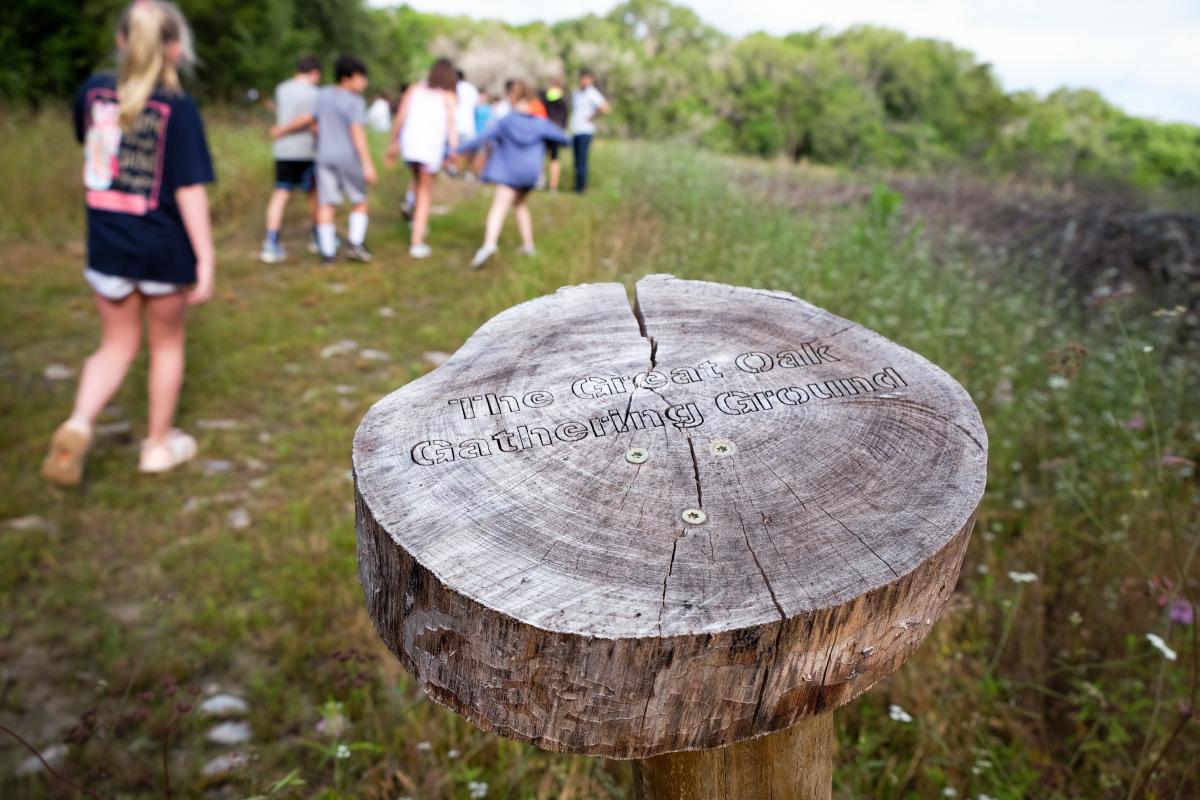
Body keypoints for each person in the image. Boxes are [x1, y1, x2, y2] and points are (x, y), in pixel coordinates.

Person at [43, 0, 215, 485]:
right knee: (166, 346)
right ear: (175, 49)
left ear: (121, 41)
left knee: (115, 345)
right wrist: (204, 258)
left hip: (108, 244)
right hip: (163, 250)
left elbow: (90, 145)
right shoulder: (177, 107)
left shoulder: (93, 92)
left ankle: (78, 424)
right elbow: (188, 189)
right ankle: (157, 446)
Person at [453, 80, 569, 269]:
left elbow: (481, 139)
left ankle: (489, 246)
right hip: (531, 174)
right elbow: (564, 138)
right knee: (519, 204)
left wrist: (456, 150)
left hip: (510, 172)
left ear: (511, 97)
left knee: (498, 208)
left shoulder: (506, 121)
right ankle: (528, 246)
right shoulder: (541, 124)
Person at [386, 58, 458, 259]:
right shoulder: (448, 96)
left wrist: (393, 144)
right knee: (425, 193)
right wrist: (453, 150)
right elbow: (452, 125)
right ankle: (417, 240)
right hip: (430, 148)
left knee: (417, 183)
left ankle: (413, 212)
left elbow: (400, 118)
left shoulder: (414, 89)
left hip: (410, 146)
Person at [313, 55, 377, 264]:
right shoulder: (355, 101)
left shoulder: (322, 95)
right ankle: (355, 245)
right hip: (347, 157)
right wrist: (367, 164)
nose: (364, 83)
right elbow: (357, 133)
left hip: (323, 156)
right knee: (359, 200)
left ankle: (327, 253)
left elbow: (315, 126)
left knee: (326, 203)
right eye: (361, 77)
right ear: (348, 78)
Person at [260, 55, 320, 263]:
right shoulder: (315, 93)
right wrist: (284, 129)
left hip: (283, 151)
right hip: (306, 152)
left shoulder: (281, 89)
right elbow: (308, 118)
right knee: (313, 195)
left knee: (281, 193)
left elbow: (283, 113)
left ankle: (271, 241)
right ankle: (318, 237)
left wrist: (280, 130)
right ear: (315, 73)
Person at [570, 68, 610, 193]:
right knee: (576, 160)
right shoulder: (576, 93)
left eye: (587, 78)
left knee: (582, 160)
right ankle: (577, 185)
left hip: (585, 131)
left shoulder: (592, 93)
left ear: (590, 79)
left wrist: (592, 117)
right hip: (575, 130)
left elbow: (605, 108)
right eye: (583, 78)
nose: (584, 81)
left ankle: (581, 188)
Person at [541, 77, 569, 192]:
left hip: (545, 130)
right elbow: (565, 119)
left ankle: (540, 182)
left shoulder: (545, 98)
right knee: (555, 159)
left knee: (541, 157)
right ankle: (553, 186)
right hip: (557, 132)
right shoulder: (563, 101)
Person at [454, 70, 479, 178]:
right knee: (468, 150)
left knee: (455, 149)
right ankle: (468, 171)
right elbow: (476, 105)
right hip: (468, 123)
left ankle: (456, 170)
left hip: (455, 123)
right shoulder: (472, 88)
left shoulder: (454, 87)